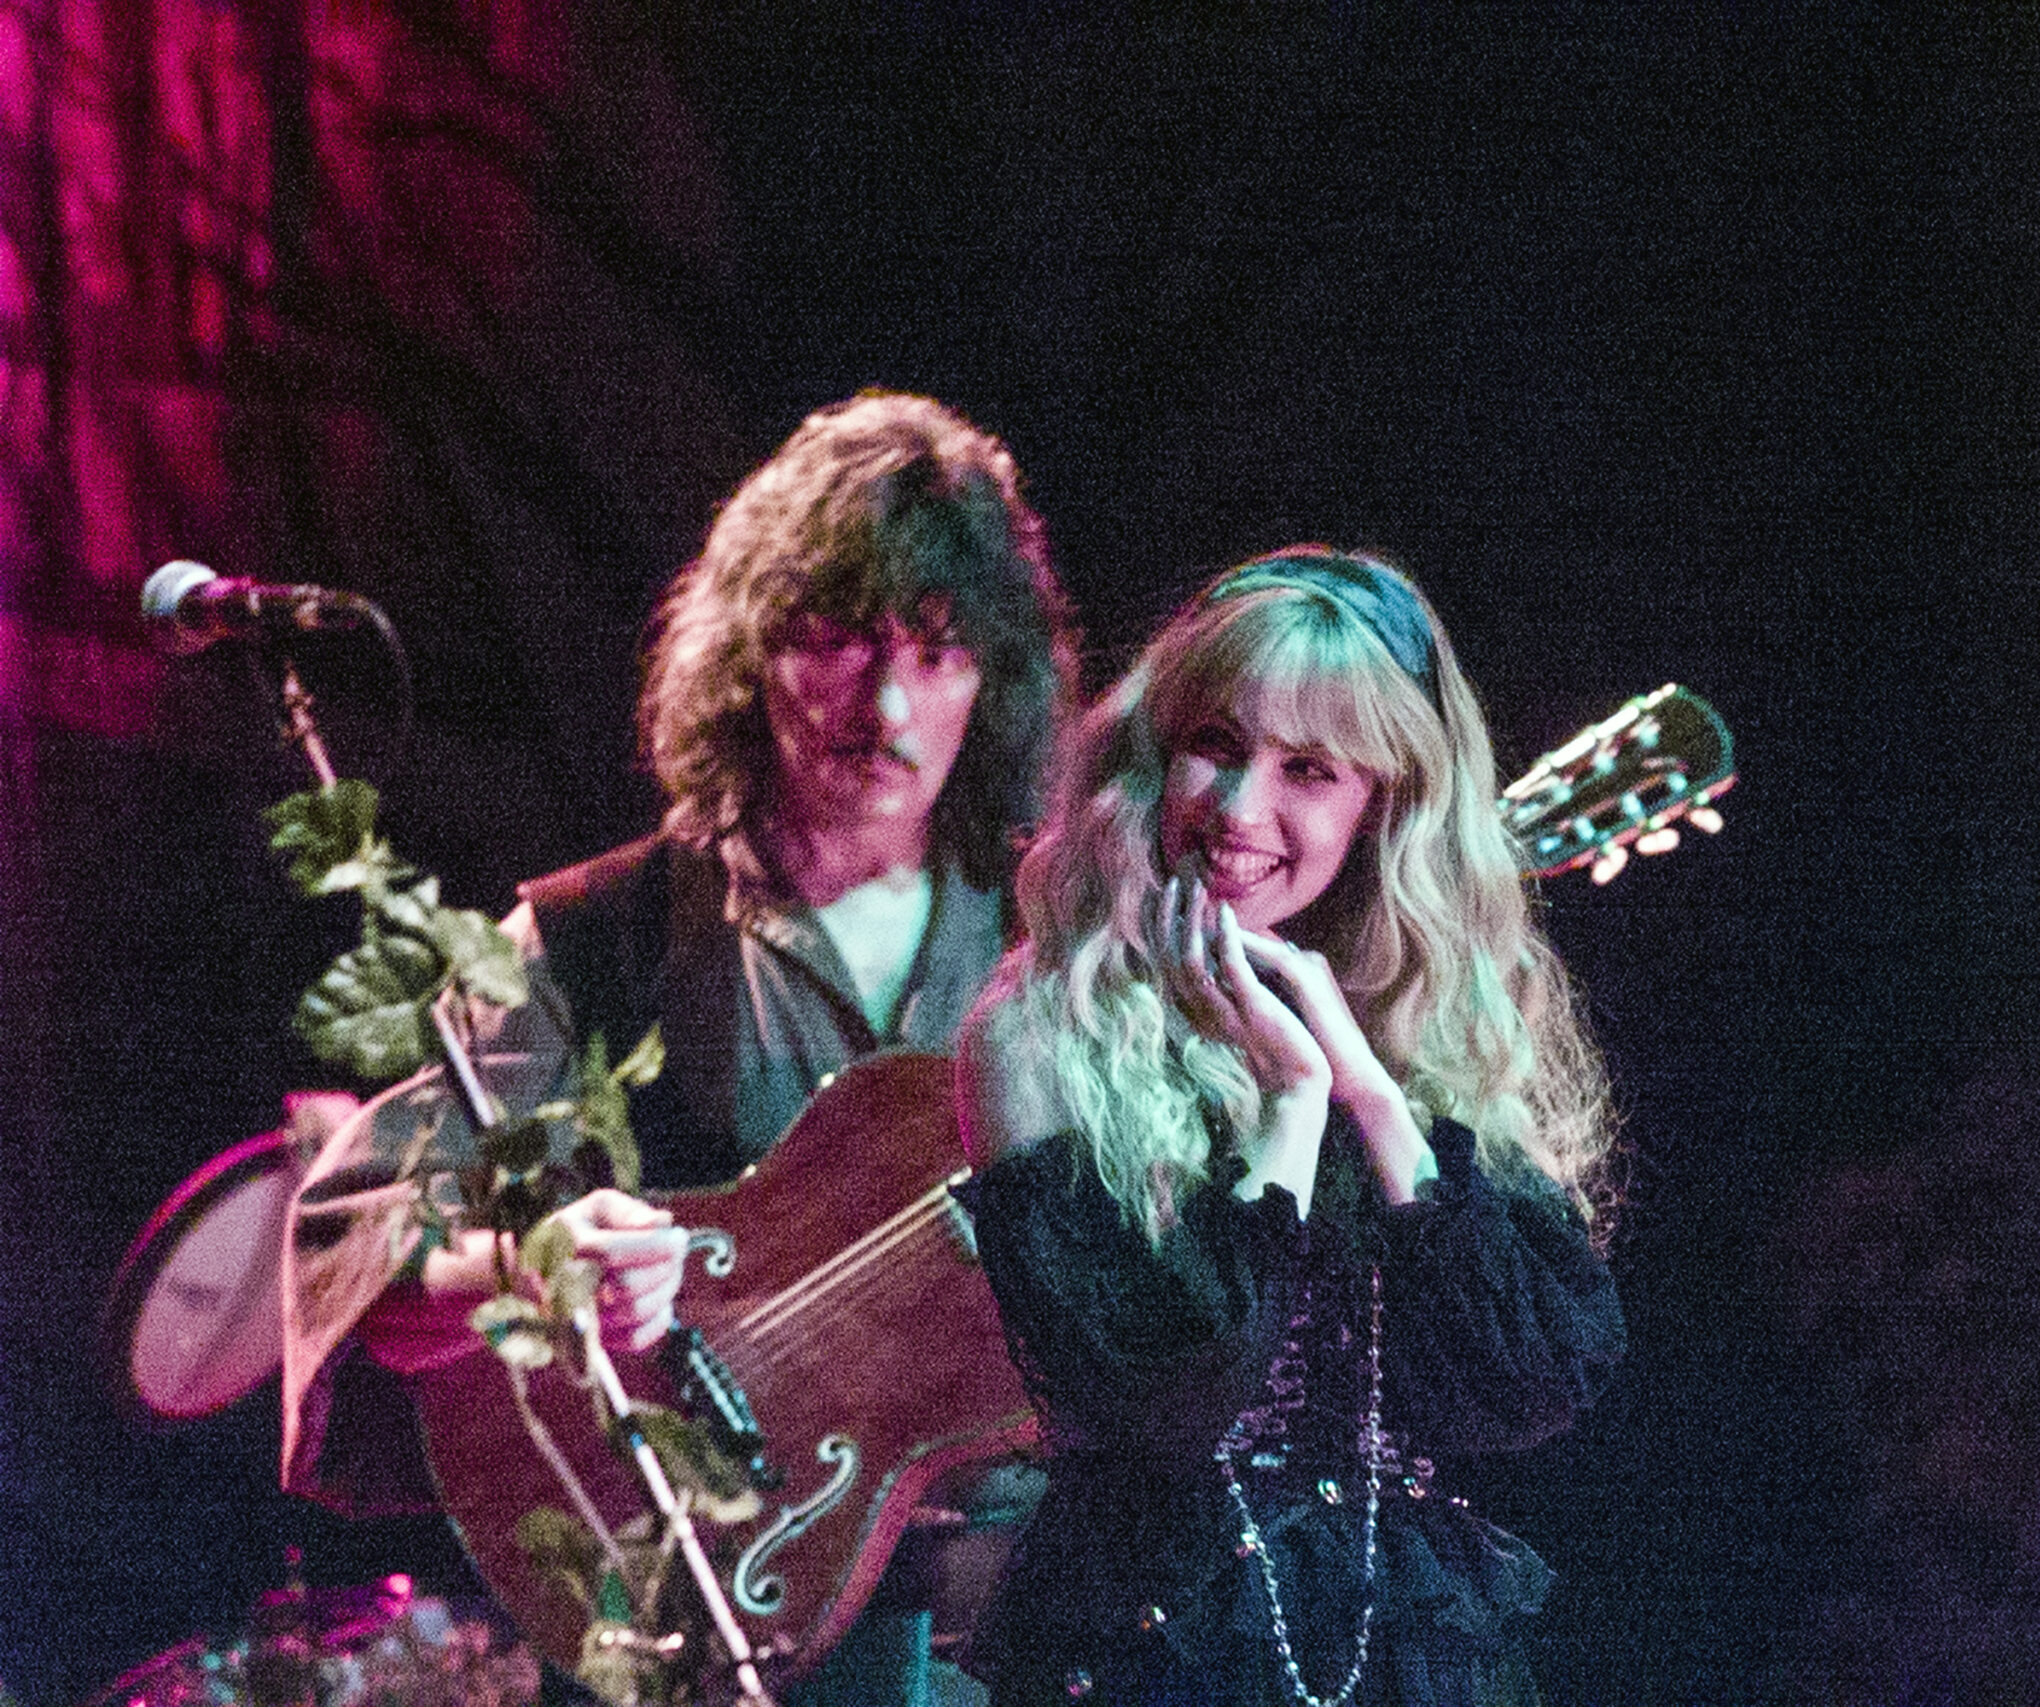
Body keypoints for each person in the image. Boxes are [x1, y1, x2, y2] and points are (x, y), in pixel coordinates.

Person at [279, 390, 1077, 1706]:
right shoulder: (595, 939)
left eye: (937, 651)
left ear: (991, 678)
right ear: (752, 654)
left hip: (1023, 1626)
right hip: (701, 1621)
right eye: (838, 637)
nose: (884, 699)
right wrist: (532, 1267)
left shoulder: (1061, 942)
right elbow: (369, 1255)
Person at [954, 547, 1625, 1706]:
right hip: (1147, 1654)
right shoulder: (1034, 1034)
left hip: (1399, 1649)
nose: (1237, 809)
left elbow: (1525, 1386)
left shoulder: (1435, 1038)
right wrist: (1287, 1110)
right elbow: (1165, 1402)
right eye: (1216, 746)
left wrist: (1366, 1092)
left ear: (1383, 808)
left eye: (1307, 768)